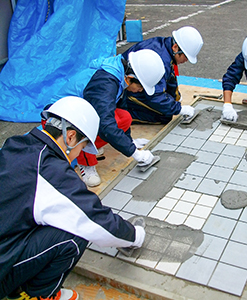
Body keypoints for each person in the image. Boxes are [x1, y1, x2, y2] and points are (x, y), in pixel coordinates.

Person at [0, 97, 146, 300]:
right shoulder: (49, 171)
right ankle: (40, 294)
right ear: (70, 137)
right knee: (73, 233)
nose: (79, 153)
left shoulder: (17, 144)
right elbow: (93, 219)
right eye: (82, 146)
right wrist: (135, 236)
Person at [52, 49, 165, 187]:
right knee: (101, 126)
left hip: (81, 111)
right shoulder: (105, 83)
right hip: (60, 120)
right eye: (140, 87)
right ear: (129, 78)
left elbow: (120, 109)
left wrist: (129, 143)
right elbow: (104, 124)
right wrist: (135, 153)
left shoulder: (119, 74)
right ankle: (86, 163)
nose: (140, 91)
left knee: (124, 117)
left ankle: (91, 147)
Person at [118, 26, 203, 124]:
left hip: (139, 84)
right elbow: (155, 96)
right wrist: (179, 109)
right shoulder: (161, 59)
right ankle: (125, 113)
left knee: (168, 105)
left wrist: (176, 98)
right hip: (129, 89)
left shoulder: (165, 47)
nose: (186, 60)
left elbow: (170, 78)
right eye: (186, 56)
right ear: (175, 47)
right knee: (164, 116)